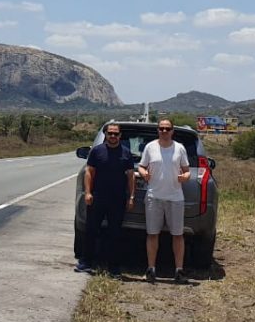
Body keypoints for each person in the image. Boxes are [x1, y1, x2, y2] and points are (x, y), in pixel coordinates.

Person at [76, 123, 135, 276]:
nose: (113, 136)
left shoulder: (126, 153)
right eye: (110, 133)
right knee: (91, 230)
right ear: (106, 134)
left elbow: (130, 176)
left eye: (116, 134)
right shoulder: (97, 151)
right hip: (98, 197)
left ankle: (113, 268)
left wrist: (131, 197)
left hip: (118, 199)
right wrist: (88, 193)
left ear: (120, 136)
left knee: (114, 234)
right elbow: (89, 172)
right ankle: (86, 262)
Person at [137, 119, 191, 284]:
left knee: (178, 235)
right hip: (154, 197)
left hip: (175, 198)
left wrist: (185, 177)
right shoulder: (150, 147)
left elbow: (187, 170)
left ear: (172, 131)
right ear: (158, 130)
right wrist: (143, 173)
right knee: (152, 234)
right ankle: (151, 269)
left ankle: (179, 270)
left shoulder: (180, 148)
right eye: (161, 128)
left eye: (167, 129)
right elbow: (141, 166)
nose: (164, 131)